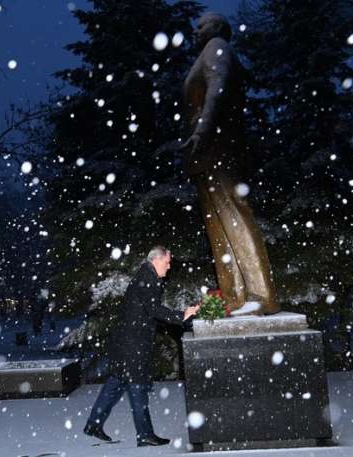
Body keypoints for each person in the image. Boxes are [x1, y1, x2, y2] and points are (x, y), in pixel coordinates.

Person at [180, 12, 280, 315]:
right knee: (218, 224)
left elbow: (217, 88)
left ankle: (260, 294)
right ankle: (235, 295)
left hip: (219, 145)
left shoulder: (217, 47)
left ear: (219, 28)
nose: (196, 32)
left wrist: (202, 130)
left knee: (233, 214)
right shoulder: (209, 51)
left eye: (202, 26)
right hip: (208, 151)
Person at [83, 246, 200, 447]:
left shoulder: (145, 276)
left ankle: (93, 424)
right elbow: (153, 309)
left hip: (126, 342)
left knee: (116, 383)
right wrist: (181, 315)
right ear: (156, 260)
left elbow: (147, 311)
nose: (169, 266)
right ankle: (144, 434)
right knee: (137, 388)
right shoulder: (147, 279)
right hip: (132, 344)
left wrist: (180, 317)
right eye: (167, 262)